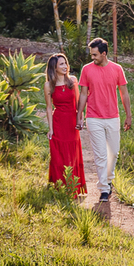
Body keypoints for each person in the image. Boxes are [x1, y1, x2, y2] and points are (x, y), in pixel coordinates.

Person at [77, 37, 132, 202]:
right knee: (100, 155)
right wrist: (80, 114)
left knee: (113, 153)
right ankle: (104, 189)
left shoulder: (117, 69)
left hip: (113, 117)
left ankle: (108, 179)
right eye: (91, 55)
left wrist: (128, 115)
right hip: (93, 117)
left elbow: (124, 93)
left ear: (104, 53)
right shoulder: (86, 70)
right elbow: (84, 94)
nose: (92, 58)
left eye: (95, 55)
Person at [44, 53, 87, 197]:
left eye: (65, 63)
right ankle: (59, 187)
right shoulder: (49, 85)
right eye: (61, 64)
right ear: (54, 68)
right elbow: (49, 108)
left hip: (71, 122)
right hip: (58, 122)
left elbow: (78, 102)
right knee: (58, 155)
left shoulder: (73, 81)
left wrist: (79, 119)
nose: (65, 66)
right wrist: (50, 128)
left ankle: (72, 187)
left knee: (72, 154)